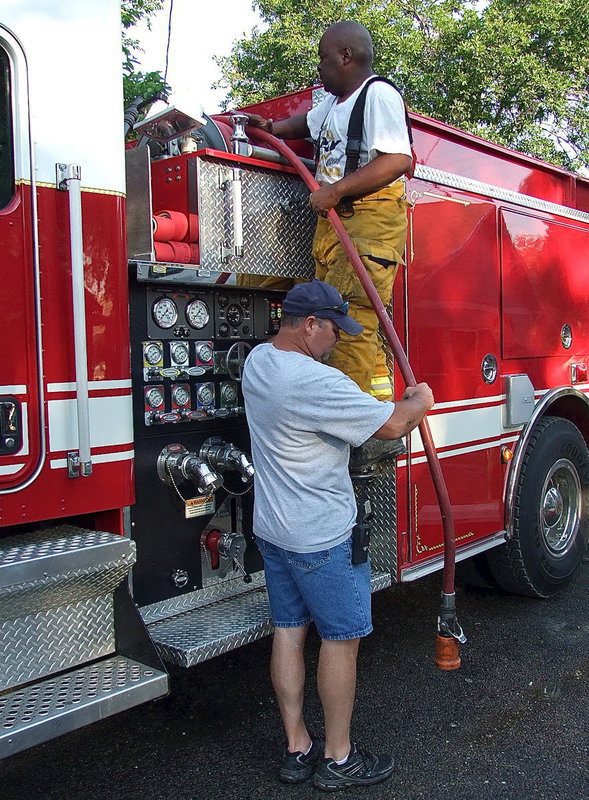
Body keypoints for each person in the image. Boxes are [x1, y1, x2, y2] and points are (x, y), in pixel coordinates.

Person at [242, 279, 434, 791]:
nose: (339, 340)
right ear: (309, 325)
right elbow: (391, 426)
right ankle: (339, 758)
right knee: (341, 639)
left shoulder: (258, 362)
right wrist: (421, 400)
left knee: (287, 631)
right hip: (322, 536)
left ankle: (297, 747)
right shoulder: (313, 382)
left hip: (274, 531)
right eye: (334, 330)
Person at [242, 20, 413, 404]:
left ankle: (344, 424)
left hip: (368, 220)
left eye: (323, 58)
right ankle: (327, 410)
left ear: (346, 56)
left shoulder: (378, 95)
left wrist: (334, 191)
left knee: (347, 326)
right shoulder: (334, 104)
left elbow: (398, 159)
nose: (319, 68)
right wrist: (271, 126)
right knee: (322, 318)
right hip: (336, 224)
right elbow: (307, 123)